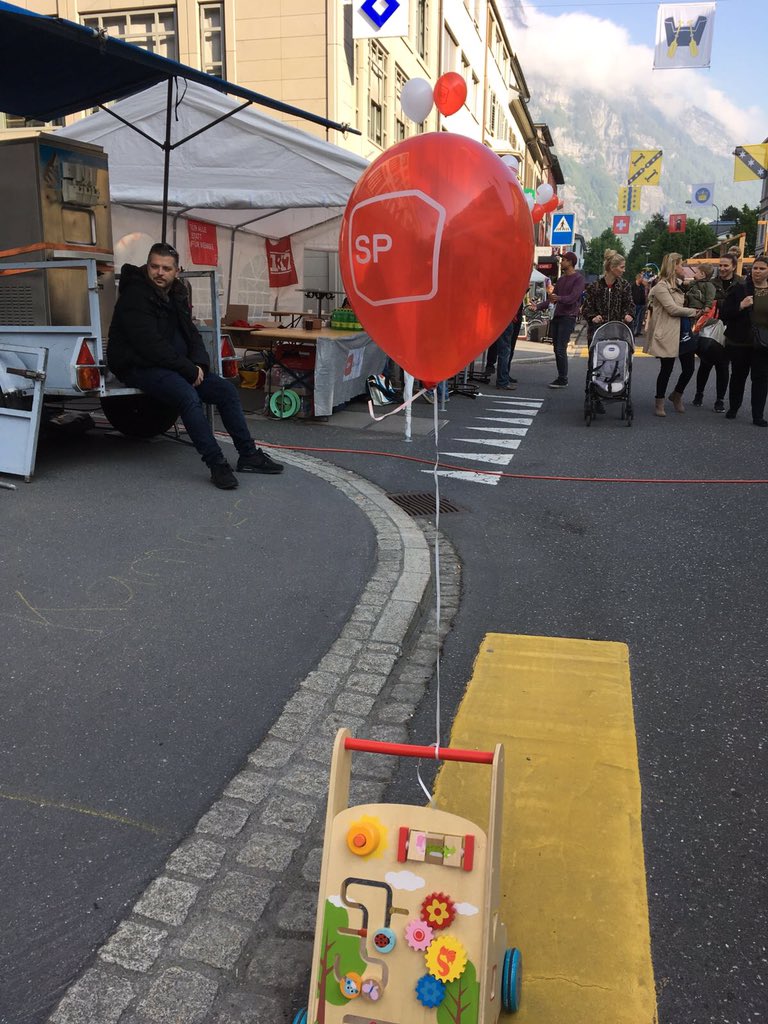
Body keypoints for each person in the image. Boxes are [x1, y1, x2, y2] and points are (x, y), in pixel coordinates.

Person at [108, 242, 283, 489]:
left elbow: (191, 334)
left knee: (227, 391)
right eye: (154, 266)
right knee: (188, 396)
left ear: (176, 271)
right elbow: (149, 345)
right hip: (138, 365)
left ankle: (249, 455)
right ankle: (217, 465)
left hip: (170, 365)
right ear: (147, 266)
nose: (159, 272)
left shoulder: (177, 293)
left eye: (166, 268)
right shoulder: (134, 295)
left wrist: (200, 364)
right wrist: (187, 369)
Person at [645, 252, 700, 416]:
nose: (682, 267)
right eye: (680, 265)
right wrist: (693, 312)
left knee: (689, 368)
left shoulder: (678, 284)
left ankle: (677, 394)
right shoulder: (661, 287)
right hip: (668, 331)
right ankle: (659, 402)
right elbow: (672, 309)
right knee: (666, 368)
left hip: (683, 331)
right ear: (673, 266)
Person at [720, 253, 768, 426]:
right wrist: (741, 305)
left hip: (763, 344)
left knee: (761, 379)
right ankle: (734, 407)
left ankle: (758, 416)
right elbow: (724, 313)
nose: (758, 271)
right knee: (738, 376)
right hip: (740, 342)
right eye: (755, 268)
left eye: (762, 268)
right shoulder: (741, 288)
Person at [538, 251, 585, 389]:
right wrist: (538, 306)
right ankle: (561, 377)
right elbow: (553, 298)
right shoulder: (561, 280)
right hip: (558, 316)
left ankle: (563, 378)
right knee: (556, 348)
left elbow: (573, 298)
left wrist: (558, 298)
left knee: (560, 348)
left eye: (563, 260)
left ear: (570, 262)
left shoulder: (578, 279)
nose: (561, 262)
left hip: (568, 317)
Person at [685, 264, 727, 412]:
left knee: (722, 366)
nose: (722, 268)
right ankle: (699, 394)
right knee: (706, 363)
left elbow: (712, 301)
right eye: (720, 265)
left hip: (725, 327)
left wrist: (714, 305)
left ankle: (720, 400)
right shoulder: (710, 283)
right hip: (708, 325)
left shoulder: (739, 283)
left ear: (734, 266)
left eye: (726, 265)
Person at [581, 250, 634, 345]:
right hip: (598, 335)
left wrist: (628, 315)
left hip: (619, 334)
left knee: (619, 359)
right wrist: (593, 317)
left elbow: (630, 305)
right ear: (612, 267)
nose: (624, 270)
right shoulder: (594, 286)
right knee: (597, 359)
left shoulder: (625, 285)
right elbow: (586, 308)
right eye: (622, 267)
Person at [486, 301, 524, 389]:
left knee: (504, 350)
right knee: (505, 351)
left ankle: (502, 378)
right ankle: (502, 380)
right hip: (508, 318)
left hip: (503, 317)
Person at [631, 272, 648, 337]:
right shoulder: (633, 285)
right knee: (635, 318)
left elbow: (645, 293)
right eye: (641, 278)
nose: (642, 279)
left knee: (640, 319)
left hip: (642, 304)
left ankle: (638, 331)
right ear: (638, 278)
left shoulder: (642, 286)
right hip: (635, 304)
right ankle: (634, 331)